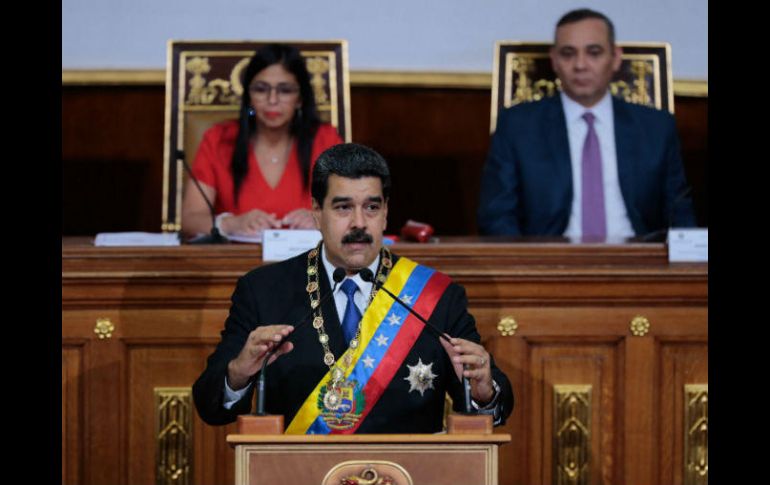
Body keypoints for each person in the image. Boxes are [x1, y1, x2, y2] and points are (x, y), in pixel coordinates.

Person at [193, 143, 514, 434]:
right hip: (301, 471)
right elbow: (211, 406)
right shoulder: (263, 291)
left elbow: (491, 405)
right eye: (343, 208)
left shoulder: (435, 296)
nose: (359, 223)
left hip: (408, 471)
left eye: (371, 207)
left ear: (386, 212)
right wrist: (238, 373)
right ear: (316, 212)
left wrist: (484, 390)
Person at [477, 8, 696, 240]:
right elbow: (496, 215)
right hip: (549, 257)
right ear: (554, 60)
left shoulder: (656, 127)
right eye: (568, 54)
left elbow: (680, 213)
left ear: (615, 58)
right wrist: (525, 259)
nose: (580, 65)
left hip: (637, 256)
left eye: (594, 53)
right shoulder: (518, 127)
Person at [182, 44, 343, 238]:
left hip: (310, 256)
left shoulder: (326, 139)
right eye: (261, 89)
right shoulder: (219, 139)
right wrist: (231, 223)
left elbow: (351, 212)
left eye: (285, 90)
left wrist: (321, 218)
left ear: (300, 98)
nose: (272, 100)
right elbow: (190, 220)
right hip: (235, 256)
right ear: (249, 96)